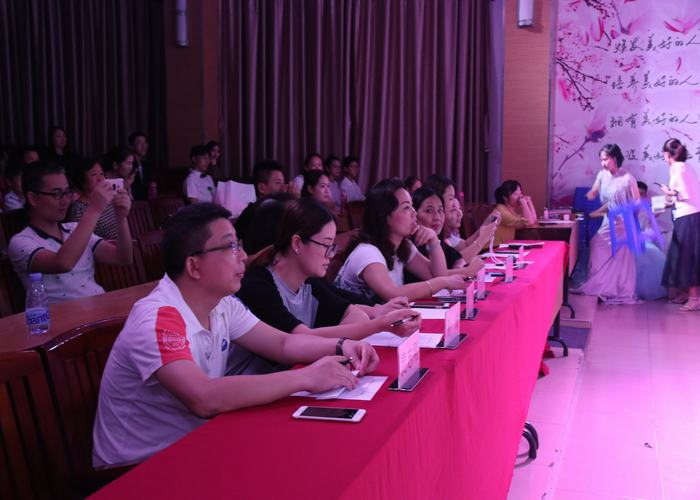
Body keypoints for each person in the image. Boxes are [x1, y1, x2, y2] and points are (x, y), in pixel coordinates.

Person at [92, 202, 379, 467]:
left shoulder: (222, 304)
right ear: (194, 265)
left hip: (200, 442)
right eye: (230, 246)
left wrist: (342, 346)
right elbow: (203, 397)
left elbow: (283, 343)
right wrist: (305, 377)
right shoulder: (159, 317)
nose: (242, 255)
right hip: (139, 466)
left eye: (238, 244)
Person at [234, 198, 420, 374]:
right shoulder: (258, 285)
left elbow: (353, 314)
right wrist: (379, 324)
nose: (330, 255)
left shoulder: (308, 280)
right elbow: (299, 339)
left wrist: (373, 319)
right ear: (297, 243)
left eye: (332, 247)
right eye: (325, 245)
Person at [8, 162, 133, 303]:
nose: (65, 200)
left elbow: (123, 258)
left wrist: (121, 218)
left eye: (67, 192)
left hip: (100, 306)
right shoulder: (21, 241)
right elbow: (63, 263)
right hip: (62, 315)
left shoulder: (74, 228)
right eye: (57, 194)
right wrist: (94, 209)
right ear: (33, 198)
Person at [334, 178, 468, 303]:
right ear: (384, 216)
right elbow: (393, 294)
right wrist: (443, 282)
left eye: (412, 206)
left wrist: (433, 241)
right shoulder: (367, 251)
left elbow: (437, 275)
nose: (414, 213)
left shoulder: (403, 246)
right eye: (406, 208)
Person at [572, 144, 644, 303]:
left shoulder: (627, 178)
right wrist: (591, 195)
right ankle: (601, 285)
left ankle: (618, 289)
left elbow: (637, 203)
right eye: (601, 160)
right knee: (597, 245)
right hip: (609, 218)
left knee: (621, 256)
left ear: (615, 158)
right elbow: (597, 193)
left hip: (624, 221)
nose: (603, 163)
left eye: (606, 159)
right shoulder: (602, 174)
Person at [658, 138, 700, 311]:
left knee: (687, 257)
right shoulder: (685, 167)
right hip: (690, 214)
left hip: (688, 216)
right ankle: (687, 294)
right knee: (683, 256)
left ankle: (694, 298)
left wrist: (668, 192)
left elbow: (683, 194)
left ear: (667, 154)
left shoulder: (677, 168)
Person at [408, 187, 483, 276]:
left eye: (440, 210)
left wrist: (458, 267)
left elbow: (458, 258)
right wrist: (466, 271)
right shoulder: (409, 245)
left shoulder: (438, 240)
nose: (437, 217)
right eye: (429, 211)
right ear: (414, 214)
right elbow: (436, 276)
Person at [424, 174, 497, 261]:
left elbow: (464, 245)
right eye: (451, 198)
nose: (454, 203)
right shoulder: (428, 232)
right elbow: (454, 262)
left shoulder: (444, 232)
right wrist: (482, 240)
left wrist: (486, 225)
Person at [234, 160, 288, 244]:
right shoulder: (252, 212)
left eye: (283, 182)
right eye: (278, 183)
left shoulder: (283, 209)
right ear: (262, 188)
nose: (284, 188)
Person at [66, 158, 121, 240]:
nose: (100, 179)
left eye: (101, 173)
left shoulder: (108, 199)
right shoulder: (78, 210)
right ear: (82, 180)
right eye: (94, 174)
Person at [491, 180, 537, 246]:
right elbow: (529, 222)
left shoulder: (510, 211)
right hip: (492, 248)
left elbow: (533, 220)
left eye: (520, 193)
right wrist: (524, 203)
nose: (520, 196)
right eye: (516, 194)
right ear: (505, 197)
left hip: (502, 246)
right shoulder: (501, 210)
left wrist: (529, 202)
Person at [128, 131, 151, 200]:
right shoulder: (128, 164)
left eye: (145, 142)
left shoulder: (146, 164)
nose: (144, 146)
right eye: (139, 143)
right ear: (132, 146)